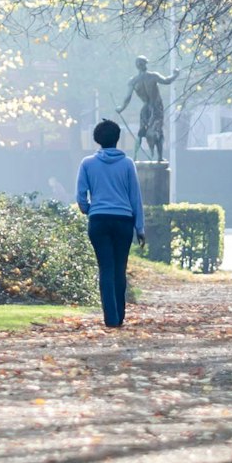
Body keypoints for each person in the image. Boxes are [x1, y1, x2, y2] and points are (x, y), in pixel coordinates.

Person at [76, 119, 145, 327]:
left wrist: (91, 210)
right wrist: (140, 227)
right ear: (117, 139)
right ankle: (120, 315)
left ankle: (110, 318)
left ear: (97, 139)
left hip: (99, 220)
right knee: (119, 268)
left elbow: (80, 197)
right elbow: (135, 198)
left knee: (105, 267)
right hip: (123, 221)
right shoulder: (127, 164)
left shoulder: (87, 163)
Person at [116, 57, 177, 162]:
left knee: (141, 133)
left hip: (145, 109)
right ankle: (159, 157)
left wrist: (121, 108)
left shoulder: (133, 81)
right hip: (156, 108)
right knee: (158, 132)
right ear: (145, 64)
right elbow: (167, 81)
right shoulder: (153, 76)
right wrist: (176, 74)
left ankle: (135, 157)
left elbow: (127, 98)